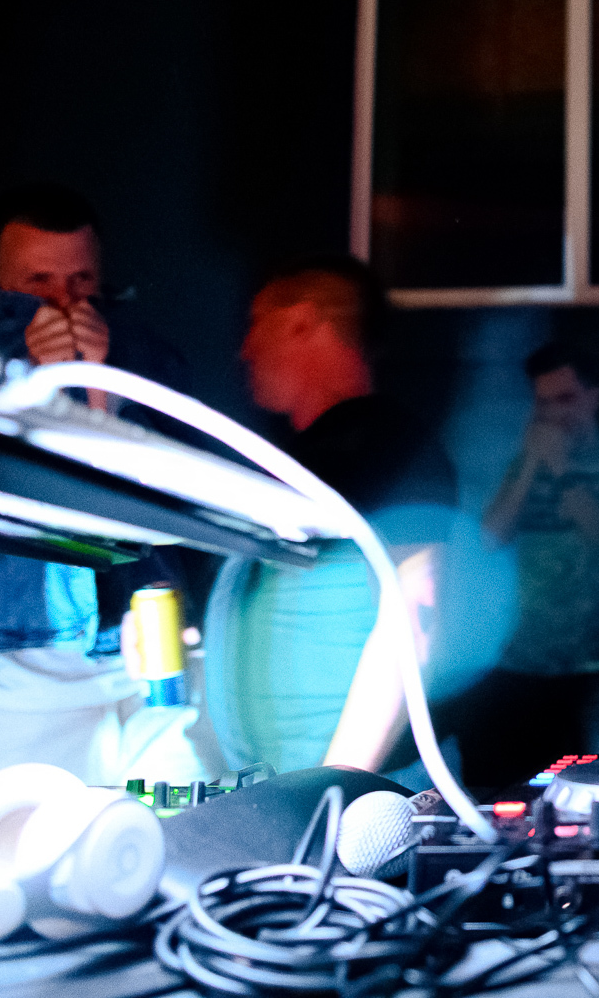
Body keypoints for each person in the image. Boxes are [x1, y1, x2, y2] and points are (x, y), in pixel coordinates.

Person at [0, 183, 192, 778]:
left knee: (172, 825)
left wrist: (100, 388)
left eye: (80, 281)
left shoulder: (146, 358)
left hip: (140, 641)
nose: (63, 301)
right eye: (39, 282)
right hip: (6, 655)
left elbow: (175, 505)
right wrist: (30, 385)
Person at [196, 254, 461, 776]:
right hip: (306, 790)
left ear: (302, 322)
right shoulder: (318, 454)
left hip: (366, 794)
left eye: (258, 323)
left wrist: (333, 787)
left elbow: (416, 613)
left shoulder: (383, 443)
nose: (245, 349)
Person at [464, 343, 599, 783]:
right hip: (523, 661)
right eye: (543, 403)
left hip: (596, 661)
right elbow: (489, 537)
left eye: (564, 399)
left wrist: (562, 467)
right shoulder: (523, 461)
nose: (553, 414)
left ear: (593, 396)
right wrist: (533, 462)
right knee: (522, 789)